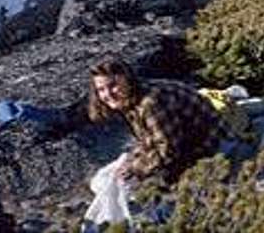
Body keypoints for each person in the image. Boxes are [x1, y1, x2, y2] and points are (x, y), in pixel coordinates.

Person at [87, 59, 222, 189]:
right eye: (101, 89)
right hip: (189, 146)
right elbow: (149, 141)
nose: (108, 94)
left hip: (214, 148)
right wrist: (132, 162)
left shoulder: (150, 103)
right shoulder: (130, 100)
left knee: (162, 205)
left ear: (127, 80)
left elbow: (168, 150)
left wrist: (135, 168)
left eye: (113, 85)